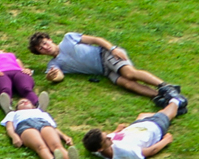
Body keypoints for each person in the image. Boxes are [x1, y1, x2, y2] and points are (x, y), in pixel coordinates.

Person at [28, 31, 181, 104]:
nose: (45, 47)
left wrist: (112, 48)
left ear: (50, 39)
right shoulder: (54, 64)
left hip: (105, 55)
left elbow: (96, 39)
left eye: (45, 43)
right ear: (40, 53)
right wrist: (52, 77)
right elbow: (59, 76)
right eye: (41, 48)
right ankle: (160, 96)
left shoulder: (68, 38)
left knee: (129, 73)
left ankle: (165, 86)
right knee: (127, 84)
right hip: (104, 71)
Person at [84, 98, 180, 159]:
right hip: (153, 128)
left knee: (142, 115)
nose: (109, 137)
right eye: (105, 139)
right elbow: (150, 151)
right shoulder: (125, 152)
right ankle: (176, 99)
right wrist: (166, 140)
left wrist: (117, 130)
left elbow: (97, 142)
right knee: (166, 113)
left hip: (135, 126)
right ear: (100, 149)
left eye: (106, 135)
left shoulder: (96, 149)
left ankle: (168, 107)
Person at [0, 98, 78, 159]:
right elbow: (9, 127)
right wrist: (14, 136)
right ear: (17, 108)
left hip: (43, 123)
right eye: (21, 102)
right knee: (40, 147)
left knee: (56, 145)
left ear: (33, 106)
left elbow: (53, 127)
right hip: (25, 126)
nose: (24, 102)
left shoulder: (41, 112)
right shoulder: (13, 113)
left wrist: (64, 136)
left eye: (27, 101)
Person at [0, 49, 45, 114]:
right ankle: (8, 108)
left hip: (18, 72)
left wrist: (27, 70)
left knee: (25, 88)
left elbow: (23, 69)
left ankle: (38, 104)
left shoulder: (14, 58)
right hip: (0, 74)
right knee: (5, 89)